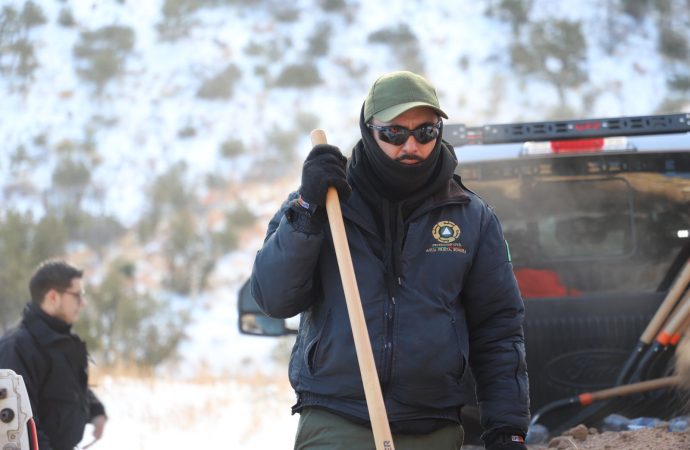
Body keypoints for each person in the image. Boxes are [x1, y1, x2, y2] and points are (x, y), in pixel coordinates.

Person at [251, 70, 529, 449]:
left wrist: (506, 429)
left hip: (433, 423)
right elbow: (273, 299)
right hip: (337, 416)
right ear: (369, 129)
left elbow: (497, 329)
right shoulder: (326, 204)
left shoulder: (471, 217)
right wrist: (305, 209)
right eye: (395, 133)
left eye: (425, 132)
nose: (411, 146)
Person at [0, 259, 107, 450]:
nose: (83, 303)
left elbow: (70, 389)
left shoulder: (62, 341)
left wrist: (96, 411)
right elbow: (21, 425)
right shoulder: (17, 347)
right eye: (77, 295)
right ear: (53, 297)